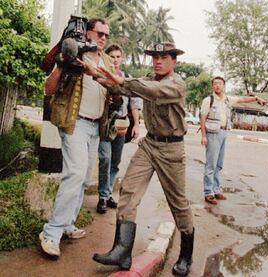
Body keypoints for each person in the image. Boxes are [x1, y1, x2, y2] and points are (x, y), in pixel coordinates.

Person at [85, 42, 195, 276]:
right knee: (128, 190)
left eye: (164, 57)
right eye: (155, 57)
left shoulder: (176, 84)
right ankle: (122, 251)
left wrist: (122, 81)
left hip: (172, 149)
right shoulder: (148, 79)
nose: (158, 61)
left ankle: (186, 255)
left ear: (174, 61)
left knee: (178, 203)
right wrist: (101, 78)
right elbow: (126, 91)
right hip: (149, 144)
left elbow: (149, 91)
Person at [39, 18, 113, 258]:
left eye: (106, 35)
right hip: (75, 123)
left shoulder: (107, 61)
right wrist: (61, 65)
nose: (103, 38)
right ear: (88, 32)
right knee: (75, 175)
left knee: (82, 178)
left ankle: (68, 223)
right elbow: (48, 90)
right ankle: (51, 233)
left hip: (94, 128)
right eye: (99, 33)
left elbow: (114, 88)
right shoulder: (74, 53)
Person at [200, 77, 266, 204]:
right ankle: (208, 192)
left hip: (223, 132)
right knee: (211, 165)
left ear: (224, 86)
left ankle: (216, 190)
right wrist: (203, 136)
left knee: (219, 164)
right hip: (212, 134)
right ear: (212, 86)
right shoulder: (208, 100)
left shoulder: (227, 100)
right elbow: (202, 118)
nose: (217, 86)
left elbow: (242, 99)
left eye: (219, 84)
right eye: (215, 84)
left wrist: (256, 98)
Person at [96, 44, 142, 214]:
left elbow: (135, 104)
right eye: (112, 56)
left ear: (122, 59)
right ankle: (103, 196)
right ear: (107, 58)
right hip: (104, 124)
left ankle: (107, 195)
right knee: (105, 158)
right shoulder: (100, 76)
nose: (115, 60)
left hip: (121, 126)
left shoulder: (126, 78)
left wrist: (136, 125)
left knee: (115, 162)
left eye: (118, 56)